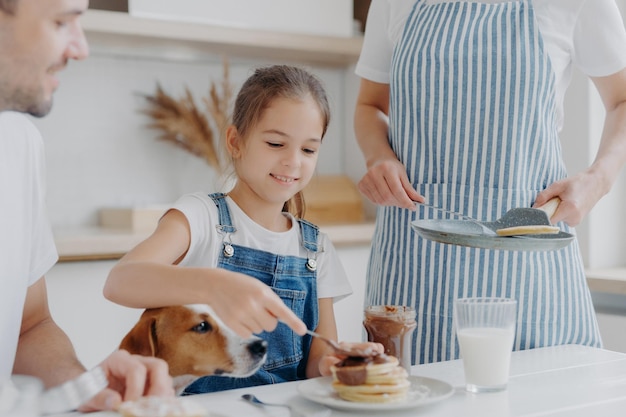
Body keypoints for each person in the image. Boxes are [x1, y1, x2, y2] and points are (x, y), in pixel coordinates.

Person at [354, 0, 626, 365]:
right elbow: (369, 104)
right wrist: (378, 157)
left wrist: (598, 179)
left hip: (526, 265)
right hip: (412, 262)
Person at [104, 64, 381, 393]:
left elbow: (317, 359)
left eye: (308, 149)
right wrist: (214, 285)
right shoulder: (201, 216)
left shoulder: (316, 247)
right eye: (276, 144)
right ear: (235, 142)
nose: (294, 161)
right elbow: (120, 281)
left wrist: (335, 363)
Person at [0, 0, 177, 412]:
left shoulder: (18, 144)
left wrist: (82, 390)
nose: (81, 48)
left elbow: (29, 327)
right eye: (63, 22)